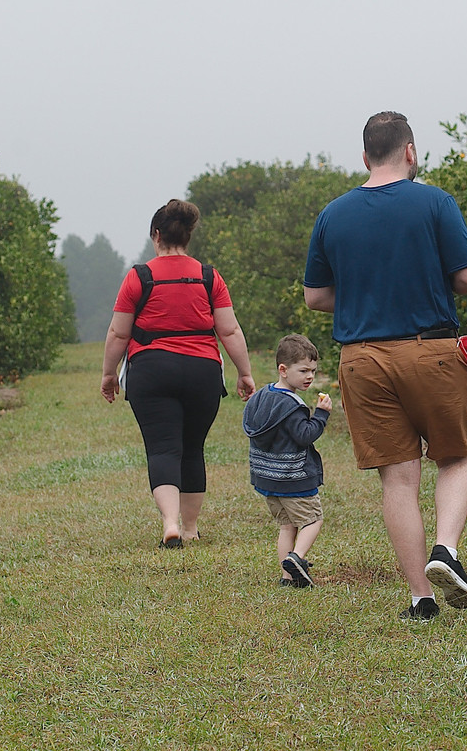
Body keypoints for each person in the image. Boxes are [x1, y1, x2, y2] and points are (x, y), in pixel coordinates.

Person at [303, 111, 467, 621]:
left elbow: (316, 295)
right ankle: (445, 550)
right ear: (410, 152)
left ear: (364, 157)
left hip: (362, 359)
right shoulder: (433, 201)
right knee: (455, 456)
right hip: (430, 348)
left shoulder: (332, 214)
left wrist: (362, 291)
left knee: (397, 480)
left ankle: (420, 599)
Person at [100, 199, 255, 548]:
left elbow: (118, 333)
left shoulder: (140, 276)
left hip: (151, 371)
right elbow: (229, 331)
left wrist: (109, 374)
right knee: (192, 449)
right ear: (188, 237)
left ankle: (169, 523)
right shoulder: (208, 276)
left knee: (162, 449)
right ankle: (189, 527)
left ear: (156, 235)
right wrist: (244, 373)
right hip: (202, 370)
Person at [242, 334, 332, 588]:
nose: (310, 376)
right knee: (313, 520)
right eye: (303, 370)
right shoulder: (291, 405)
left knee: (287, 526)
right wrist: (322, 415)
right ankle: (297, 558)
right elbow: (305, 435)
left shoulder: (260, 397)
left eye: (313, 371)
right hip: (293, 479)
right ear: (283, 369)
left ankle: (288, 579)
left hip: (267, 478)